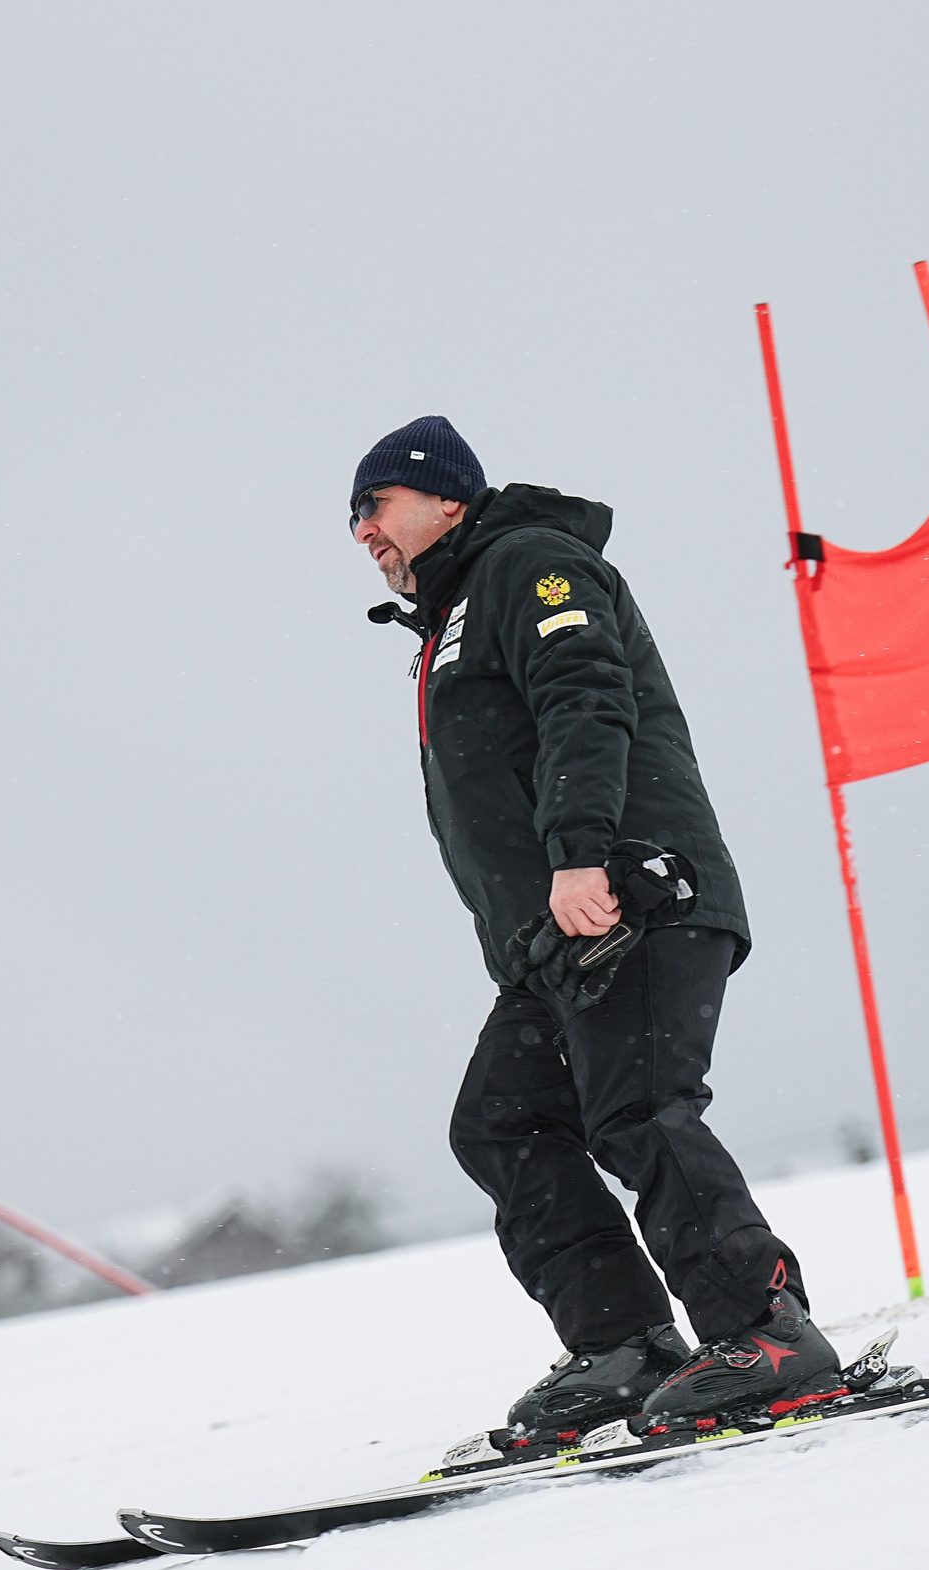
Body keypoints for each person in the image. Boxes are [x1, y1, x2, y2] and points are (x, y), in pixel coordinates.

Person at [349, 415, 841, 1439]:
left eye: (375, 505)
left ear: (447, 497)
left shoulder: (530, 563)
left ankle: (767, 1334)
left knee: (640, 1110)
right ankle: (624, 1344)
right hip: (555, 941)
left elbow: (583, 696)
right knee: (502, 1123)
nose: (362, 532)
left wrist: (581, 853)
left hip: (630, 894)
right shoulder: (451, 617)